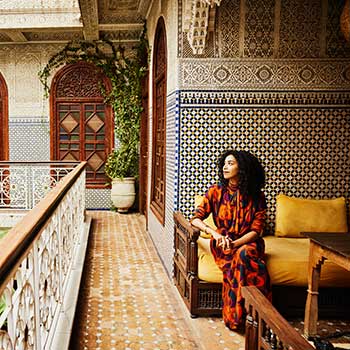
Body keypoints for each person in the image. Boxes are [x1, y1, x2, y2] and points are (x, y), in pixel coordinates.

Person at [190, 149, 271, 331]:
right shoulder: (216, 191)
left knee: (244, 255)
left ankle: (245, 317)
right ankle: (247, 317)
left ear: (242, 168)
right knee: (241, 258)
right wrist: (215, 234)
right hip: (222, 244)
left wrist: (236, 244)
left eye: (231, 163)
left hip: (247, 243)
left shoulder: (257, 196)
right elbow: (195, 219)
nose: (225, 167)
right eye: (224, 163)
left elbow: (256, 231)